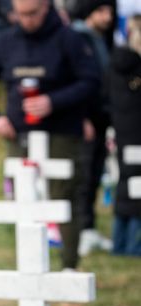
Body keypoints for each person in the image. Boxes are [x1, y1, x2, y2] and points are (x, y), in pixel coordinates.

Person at [0, 0, 101, 270]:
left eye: (32, 14)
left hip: (61, 133)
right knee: (23, 200)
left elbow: (90, 81)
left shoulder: (69, 39)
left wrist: (53, 101)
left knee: (63, 200)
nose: (26, 20)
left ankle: (68, 265)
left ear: (46, 7)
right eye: (20, 14)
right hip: (20, 134)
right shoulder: (6, 42)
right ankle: (29, 266)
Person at [72, 0, 115, 255]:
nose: (108, 17)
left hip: (101, 118)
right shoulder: (78, 38)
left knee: (95, 175)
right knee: (84, 177)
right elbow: (81, 81)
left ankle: (89, 227)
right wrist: (82, 117)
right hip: (84, 120)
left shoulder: (100, 38)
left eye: (110, 11)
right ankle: (81, 229)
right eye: (102, 11)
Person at [107, 15, 141, 255]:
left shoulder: (114, 66)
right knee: (138, 191)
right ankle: (132, 246)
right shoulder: (136, 69)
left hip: (121, 133)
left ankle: (119, 244)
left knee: (124, 186)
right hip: (136, 135)